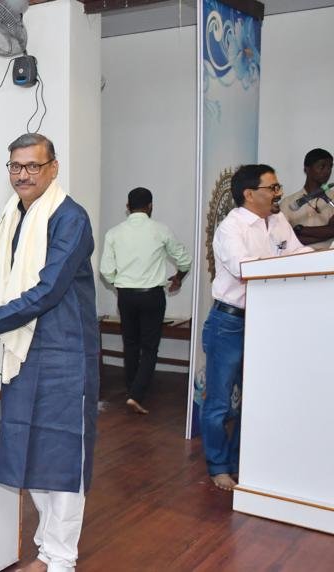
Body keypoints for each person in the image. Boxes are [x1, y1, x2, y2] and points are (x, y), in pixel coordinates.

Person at [0, 133, 99, 572]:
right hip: (22, 350)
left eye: (33, 166)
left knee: (63, 457)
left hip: (63, 352)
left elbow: (46, 291)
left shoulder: (69, 218)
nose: (23, 174)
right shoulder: (13, 216)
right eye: (15, 166)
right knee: (34, 451)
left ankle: (61, 558)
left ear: (53, 168)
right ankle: (46, 549)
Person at [204, 164, 310, 491]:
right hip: (229, 323)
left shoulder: (278, 221)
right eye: (272, 188)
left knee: (254, 399)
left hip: (266, 322)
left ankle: (241, 463)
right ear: (249, 194)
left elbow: (299, 253)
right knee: (221, 402)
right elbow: (244, 268)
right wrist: (284, 264)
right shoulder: (231, 228)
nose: (279, 193)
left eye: (278, 187)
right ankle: (218, 466)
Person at [100, 187, 191, 415]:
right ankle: (136, 394)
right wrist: (178, 278)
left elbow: (105, 270)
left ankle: (132, 388)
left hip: (126, 295)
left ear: (127, 207)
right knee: (150, 347)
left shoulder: (113, 233)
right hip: (152, 296)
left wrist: (120, 284)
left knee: (130, 343)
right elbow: (184, 260)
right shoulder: (161, 230)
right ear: (150, 206)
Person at [279, 148, 334, 249]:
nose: (327, 171)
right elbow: (284, 239)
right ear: (307, 169)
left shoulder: (332, 197)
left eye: (330, 166)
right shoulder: (287, 202)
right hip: (298, 257)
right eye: (322, 166)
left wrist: (300, 230)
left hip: (329, 256)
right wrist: (327, 232)